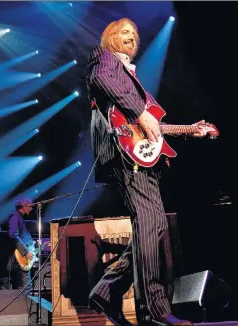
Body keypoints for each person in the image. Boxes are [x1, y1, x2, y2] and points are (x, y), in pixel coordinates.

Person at [86, 18, 207, 326]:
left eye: (135, 34)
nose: (132, 37)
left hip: (140, 155)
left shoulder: (131, 78)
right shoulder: (105, 59)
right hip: (124, 155)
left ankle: (106, 290)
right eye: (125, 33)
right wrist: (140, 112)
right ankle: (154, 312)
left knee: (155, 229)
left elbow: (151, 127)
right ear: (111, 37)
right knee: (150, 224)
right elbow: (101, 79)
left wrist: (188, 130)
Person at [2, 197, 35, 294]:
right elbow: (13, 235)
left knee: (24, 286)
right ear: (24, 205)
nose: (31, 208)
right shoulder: (15, 217)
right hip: (21, 256)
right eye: (30, 206)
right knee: (26, 286)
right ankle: (24, 307)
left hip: (24, 254)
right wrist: (25, 252)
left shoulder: (19, 218)